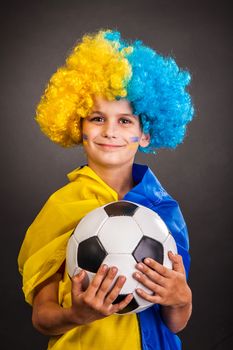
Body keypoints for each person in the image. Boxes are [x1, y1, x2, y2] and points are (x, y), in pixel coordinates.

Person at [18, 29, 194, 350]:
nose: (110, 131)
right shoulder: (60, 207)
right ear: (78, 126)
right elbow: (42, 317)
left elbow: (174, 320)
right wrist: (77, 314)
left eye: (125, 121)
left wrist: (182, 299)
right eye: (97, 118)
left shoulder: (164, 211)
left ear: (145, 134)